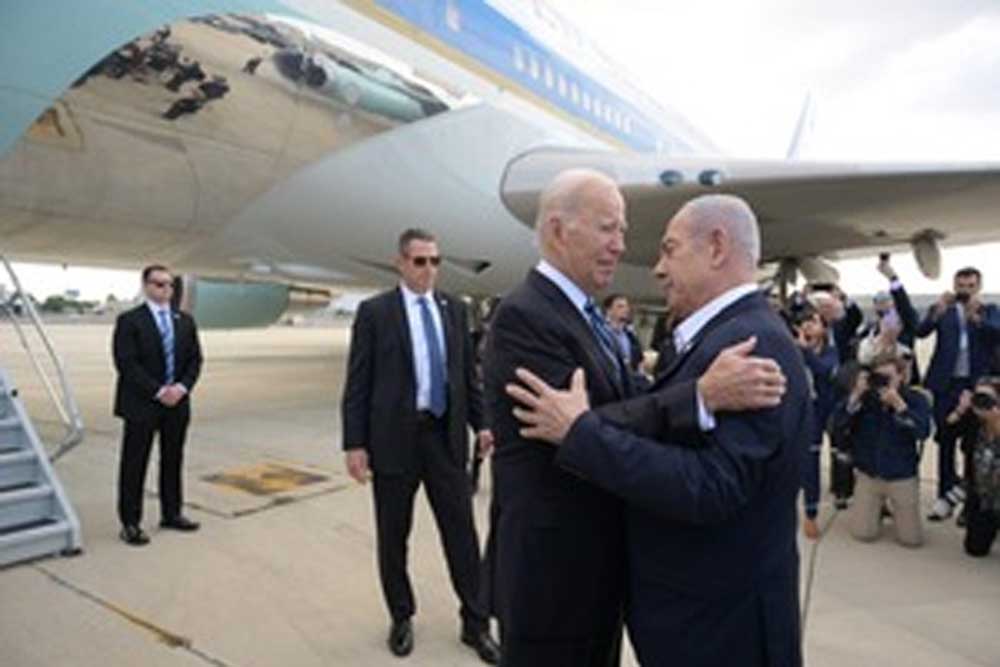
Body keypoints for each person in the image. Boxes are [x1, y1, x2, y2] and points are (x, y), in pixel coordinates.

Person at [504, 194, 807, 667]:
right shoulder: (718, 338)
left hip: (722, 631)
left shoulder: (752, 345)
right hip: (699, 623)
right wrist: (695, 396)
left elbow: (712, 485)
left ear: (716, 247)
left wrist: (581, 433)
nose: (658, 269)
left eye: (670, 250)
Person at [340, 228, 499, 663]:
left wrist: (483, 424)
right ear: (401, 263)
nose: (429, 269)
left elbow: (466, 379)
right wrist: (355, 443)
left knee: (462, 535)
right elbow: (358, 382)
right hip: (394, 441)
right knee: (394, 536)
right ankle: (401, 616)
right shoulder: (376, 313)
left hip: (444, 439)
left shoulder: (455, 310)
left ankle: (475, 622)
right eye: (420, 261)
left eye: (435, 261)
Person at [113, 265, 202, 546]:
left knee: (173, 460)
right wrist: (159, 391)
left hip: (177, 403)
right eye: (159, 284)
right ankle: (130, 523)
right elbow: (126, 363)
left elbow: (195, 360)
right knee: (134, 463)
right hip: (142, 404)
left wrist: (181, 388)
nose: (166, 290)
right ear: (146, 286)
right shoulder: (129, 321)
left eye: (170, 285)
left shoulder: (184, 321)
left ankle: (172, 513)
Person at [916, 267, 1000, 521]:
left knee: (973, 445)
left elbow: (997, 334)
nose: (965, 291)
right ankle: (944, 497)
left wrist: (978, 319)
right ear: (954, 286)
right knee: (945, 442)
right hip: (946, 386)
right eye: (961, 286)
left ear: (979, 287)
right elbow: (920, 331)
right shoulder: (945, 311)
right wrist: (936, 311)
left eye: (970, 286)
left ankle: (969, 503)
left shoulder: (989, 311)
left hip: (976, 385)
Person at [831, 353, 931, 547]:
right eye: (879, 378)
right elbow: (837, 426)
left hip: (901, 475)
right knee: (863, 534)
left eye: (888, 378)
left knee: (911, 540)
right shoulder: (866, 399)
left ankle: (894, 511)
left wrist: (899, 406)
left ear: (901, 376)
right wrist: (855, 397)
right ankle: (875, 509)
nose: (883, 383)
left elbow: (923, 432)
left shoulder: (915, 399)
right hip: (870, 473)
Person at [794, 306, 838, 538]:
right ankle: (808, 513)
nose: (808, 325)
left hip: (825, 411)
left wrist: (805, 351)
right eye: (805, 321)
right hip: (802, 413)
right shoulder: (791, 350)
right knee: (807, 461)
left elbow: (824, 370)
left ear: (824, 329)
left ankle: (841, 491)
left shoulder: (830, 352)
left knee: (836, 454)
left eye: (814, 321)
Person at [964, 376, 1000, 556]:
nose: (982, 403)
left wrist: (996, 422)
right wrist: (960, 410)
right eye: (978, 397)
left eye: (987, 399)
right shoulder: (972, 423)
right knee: (975, 549)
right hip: (983, 496)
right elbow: (943, 436)